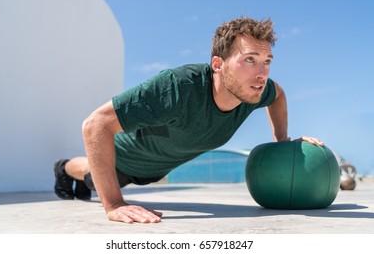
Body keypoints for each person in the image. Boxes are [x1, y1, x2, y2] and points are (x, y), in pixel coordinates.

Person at [54, 16, 324, 224]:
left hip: (157, 168)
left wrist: (282, 143)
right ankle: (64, 168)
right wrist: (113, 205)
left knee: (113, 179)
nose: (262, 72)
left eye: (267, 61)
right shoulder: (177, 87)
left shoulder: (254, 90)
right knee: (93, 175)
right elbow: (95, 125)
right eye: (250, 59)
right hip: (123, 157)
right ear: (218, 65)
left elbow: (278, 95)